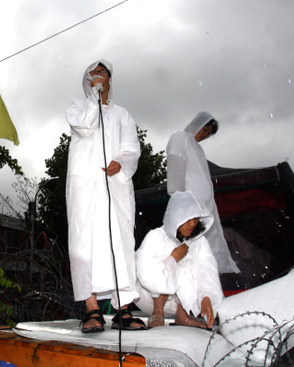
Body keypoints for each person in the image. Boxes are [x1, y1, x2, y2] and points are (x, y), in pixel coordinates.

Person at [66, 60, 145, 332]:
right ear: (87, 81)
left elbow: (132, 147)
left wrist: (122, 163)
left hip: (115, 186)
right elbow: (84, 126)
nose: (98, 77)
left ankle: (122, 310)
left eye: (103, 73)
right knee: (83, 243)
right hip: (85, 186)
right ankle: (92, 310)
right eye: (93, 74)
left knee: (119, 242)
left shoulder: (123, 114)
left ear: (111, 79)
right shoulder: (78, 107)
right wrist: (93, 100)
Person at [135, 191, 223, 329]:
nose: (193, 224)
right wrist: (172, 259)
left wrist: (206, 296)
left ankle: (183, 316)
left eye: (195, 219)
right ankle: (157, 314)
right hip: (149, 299)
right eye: (188, 219)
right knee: (169, 263)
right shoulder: (155, 237)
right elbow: (145, 275)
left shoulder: (200, 242)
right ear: (177, 217)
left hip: (185, 303)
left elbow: (208, 270)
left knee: (190, 264)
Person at [165, 112, 240, 274]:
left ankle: (215, 276)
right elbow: (175, 173)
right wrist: (181, 203)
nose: (205, 135)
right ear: (197, 124)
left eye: (209, 134)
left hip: (206, 206)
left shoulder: (197, 148)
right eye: (205, 130)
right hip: (191, 206)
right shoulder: (179, 138)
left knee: (211, 242)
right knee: (194, 245)